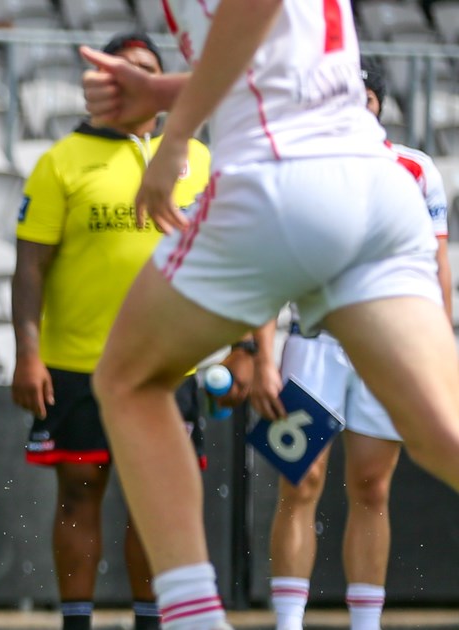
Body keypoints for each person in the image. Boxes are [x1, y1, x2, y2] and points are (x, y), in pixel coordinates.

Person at [79, 0, 459, 626]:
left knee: (127, 379)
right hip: (376, 189)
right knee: (439, 433)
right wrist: (162, 91)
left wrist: (174, 139)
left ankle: (193, 618)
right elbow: (278, 69)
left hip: (283, 179)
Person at [222, 59, 450, 630]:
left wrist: (437, 347)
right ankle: (288, 623)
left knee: (372, 486)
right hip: (312, 344)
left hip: (389, 348)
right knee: (301, 481)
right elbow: (270, 266)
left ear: (374, 102)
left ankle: (366, 625)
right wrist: (263, 353)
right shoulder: (296, 166)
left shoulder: (417, 169)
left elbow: (434, 266)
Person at [11, 33, 211, 630]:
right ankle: (78, 622)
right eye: (125, 70)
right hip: (78, 365)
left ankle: (151, 622)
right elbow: (29, 267)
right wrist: (28, 354)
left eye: (148, 70)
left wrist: (253, 345)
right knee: (78, 495)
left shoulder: (198, 158)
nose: (135, 78)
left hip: (170, 363)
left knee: (157, 504)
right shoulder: (60, 161)